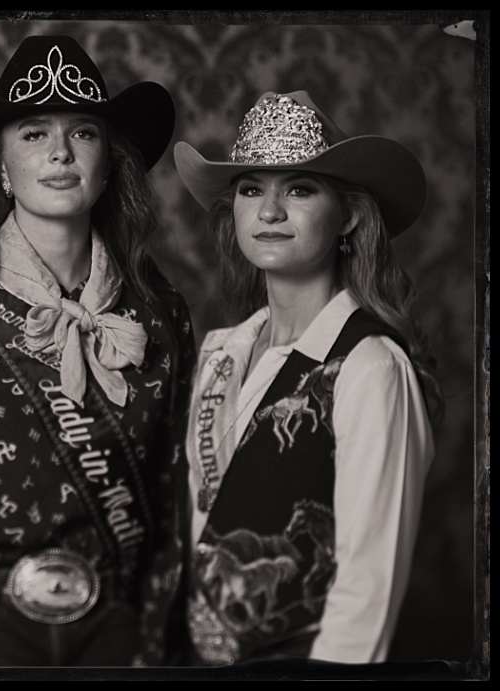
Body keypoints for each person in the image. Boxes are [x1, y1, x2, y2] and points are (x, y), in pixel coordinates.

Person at [0, 35, 196, 666]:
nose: (59, 152)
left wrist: (153, 646)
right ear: (0, 167)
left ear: (109, 164)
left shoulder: (158, 310)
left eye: (83, 133)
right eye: (33, 134)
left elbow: (172, 493)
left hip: (115, 630)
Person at [172, 91, 441, 665]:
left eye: (298, 189)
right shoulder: (220, 354)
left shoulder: (369, 366)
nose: (269, 211)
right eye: (251, 189)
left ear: (348, 215)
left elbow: (367, 591)